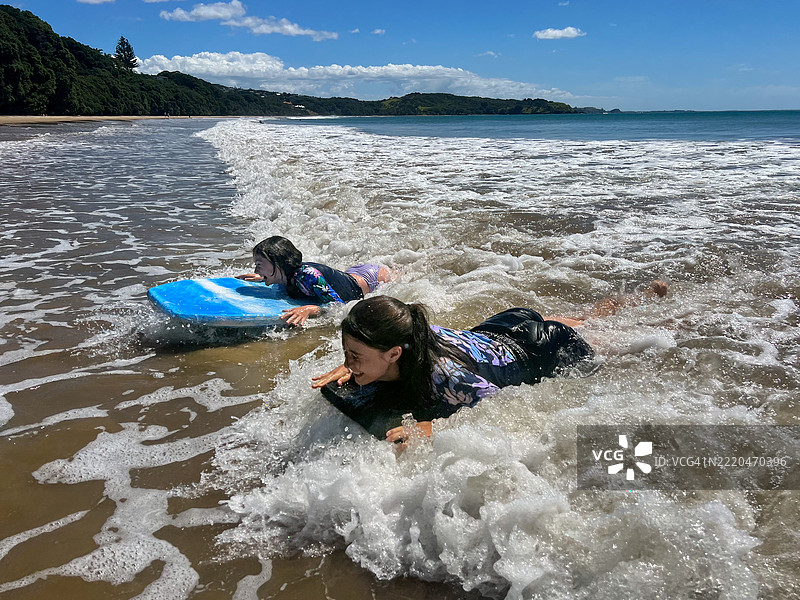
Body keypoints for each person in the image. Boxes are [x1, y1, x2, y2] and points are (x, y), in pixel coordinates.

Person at [311, 295, 597, 447]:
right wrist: (354, 364)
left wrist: (433, 427)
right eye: (347, 352)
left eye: (356, 355)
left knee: (611, 340)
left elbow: (502, 411)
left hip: (540, 348)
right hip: (500, 328)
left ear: (393, 353)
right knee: (587, 318)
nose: (348, 363)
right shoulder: (409, 331)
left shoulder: (447, 376)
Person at [237, 236, 391, 326]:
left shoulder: (308, 277)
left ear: (277, 264)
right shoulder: (284, 273)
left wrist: (310, 309)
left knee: (402, 273)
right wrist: (264, 277)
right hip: (350, 274)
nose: (256, 270)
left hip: (372, 278)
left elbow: (338, 306)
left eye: (259, 265)